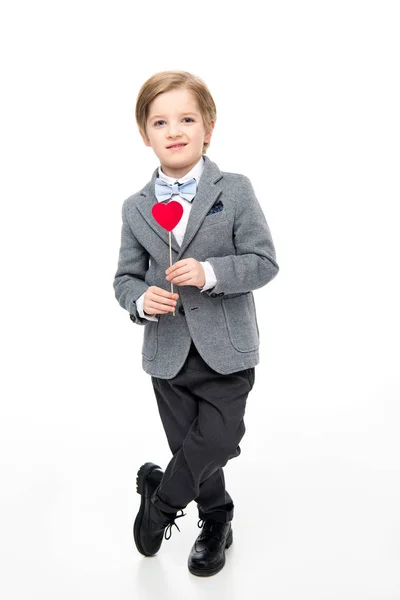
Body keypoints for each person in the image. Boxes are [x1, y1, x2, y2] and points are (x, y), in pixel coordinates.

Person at [113, 70, 279, 577]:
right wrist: (143, 301)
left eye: (187, 118)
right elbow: (123, 280)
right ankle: (216, 518)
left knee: (220, 440)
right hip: (167, 352)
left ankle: (159, 504)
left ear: (208, 127)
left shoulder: (235, 190)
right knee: (188, 447)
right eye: (160, 121)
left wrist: (210, 273)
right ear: (145, 134)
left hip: (226, 347)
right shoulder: (136, 207)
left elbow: (264, 262)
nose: (175, 129)